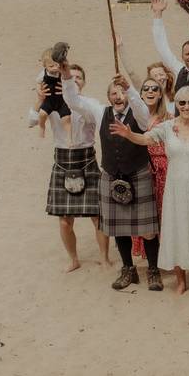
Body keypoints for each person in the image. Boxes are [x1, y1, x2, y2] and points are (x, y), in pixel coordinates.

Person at [111, 85, 189, 296]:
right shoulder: (167, 127)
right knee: (177, 229)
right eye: (182, 102)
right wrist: (128, 134)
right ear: (177, 105)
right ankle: (181, 280)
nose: (187, 106)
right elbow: (145, 139)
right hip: (175, 188)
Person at [61, 59, 162, 292]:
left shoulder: (138, 112)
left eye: (120, 92)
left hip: (137, 173)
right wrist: (67, 76)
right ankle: (128, 269)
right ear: (107, 97)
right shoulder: (100, 112)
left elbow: (145, 117)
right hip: (111, 175)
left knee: (147, 230)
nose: (117, 96)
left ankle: (153, 270)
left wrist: (129, 88)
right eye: (113, 93)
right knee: (118, 228)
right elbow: (74, 101)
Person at [30, 62, 110, 271]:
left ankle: (104, 257)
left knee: (98, 215)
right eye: (70, 77)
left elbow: (104, 120)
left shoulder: (89, 103)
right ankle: (73, 259)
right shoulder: (53, 101)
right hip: (62, 160)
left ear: (84, 82)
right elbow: (31, 120)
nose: (74, 80)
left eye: (78, 78)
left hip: (87, 158)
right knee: (65, 220)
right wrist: (40, 98)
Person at [130, 76, 171, 259]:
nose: (150, 92)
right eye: (146, 89)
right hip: (141, 169)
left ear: (161, 94)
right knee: (145, 214)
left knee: (164, 212)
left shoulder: (168, 118)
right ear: (140, 94)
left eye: (155, 89)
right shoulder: (134, 117)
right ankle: (149, 254)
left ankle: (166, 252)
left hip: (163, 169)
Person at [35, 47, 71, 138]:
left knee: (66, 118)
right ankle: (42, 127)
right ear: (45, 66)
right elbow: (38, 83)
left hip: (60, 101)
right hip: (49, 100)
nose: (55, 68)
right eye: (51, 66)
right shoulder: (43, 74)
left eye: (57, 65)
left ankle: (70, 136)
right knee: (42, 114)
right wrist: (39, 91)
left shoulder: (61, 73)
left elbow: (67, 83)